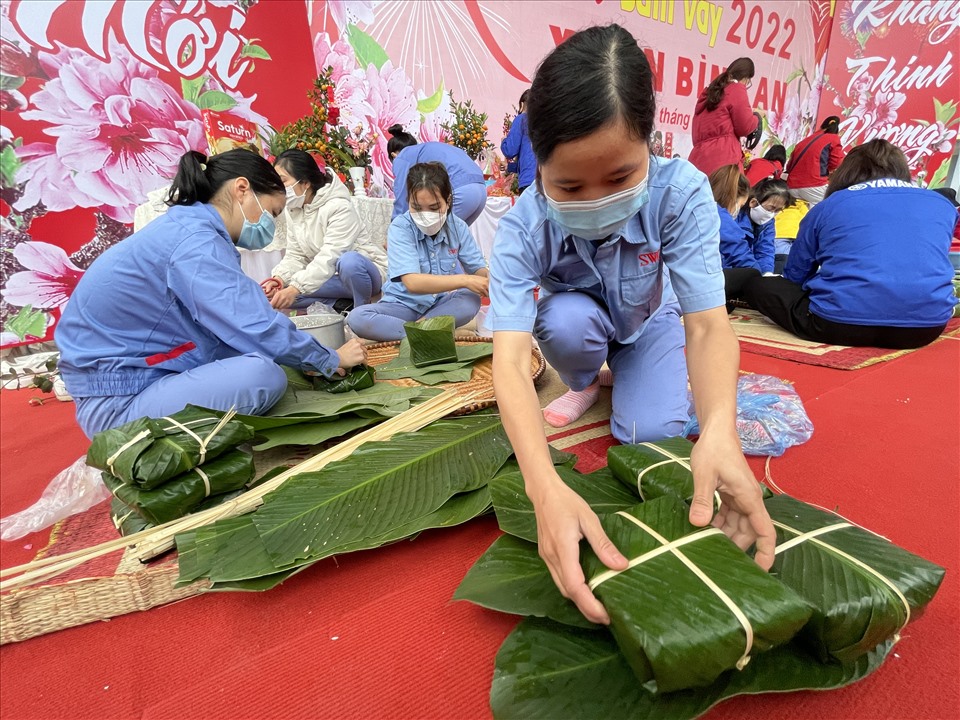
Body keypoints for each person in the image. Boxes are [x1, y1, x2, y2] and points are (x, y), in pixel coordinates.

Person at [488, 24, 775, 625]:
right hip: (582, 325)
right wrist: (543, 487)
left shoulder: (683, 193)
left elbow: (707, 325)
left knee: (650, 434)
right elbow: (511, 360)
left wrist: (720, 428)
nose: (595, 199)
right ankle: (591, 376)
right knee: (564, 323)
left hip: (652, 320)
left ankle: (639, 377)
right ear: (538, 164)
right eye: (568, 184)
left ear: (651, 142)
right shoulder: (521, 226)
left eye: (619, 178)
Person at [54, 149, 367, 439]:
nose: (270, 225)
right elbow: (253, 324)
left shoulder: (189, 230)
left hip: (132, 377)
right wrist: (327, 357)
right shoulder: (196, 243)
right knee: (264, 376)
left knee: (257, 355)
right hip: (119, 402)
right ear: (242, 189)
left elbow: (233, 323)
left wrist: (303, 354)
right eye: (271, 213)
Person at [743, 139, 956, 349]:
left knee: (757, 284)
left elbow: (797, 275)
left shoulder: (830, 205)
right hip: (925, 329)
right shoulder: (941, 204)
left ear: (848, 171)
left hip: (836, 324)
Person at [346, 161, 489, 341]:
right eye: (417, 207)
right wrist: (466, 280)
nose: (425, 214)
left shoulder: (457, 227)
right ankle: (433, 333)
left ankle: (416, 334)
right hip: (400, 307)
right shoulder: (400, 227)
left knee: (470, 299)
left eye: (434, 207)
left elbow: (477, 269)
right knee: (358, 318)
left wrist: (488, 280)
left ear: (449, 201)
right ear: (408, 202)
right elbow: (412, 283)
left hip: (437, 307)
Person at [261, 149, 387, 312]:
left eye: (283, 181)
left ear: (305, 182)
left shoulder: (339, 207)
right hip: (331, 280)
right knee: (277, 296)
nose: (278, 188)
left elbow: (331, 255)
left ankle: (363, 309)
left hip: (363, 276)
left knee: (348, 262)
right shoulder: (294, 210)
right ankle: (341, 305)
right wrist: (279, 279)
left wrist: (295, 288)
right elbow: (296, 255)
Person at [387, 125, 487, 225]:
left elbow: (402, 198)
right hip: (481, 190)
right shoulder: (428, 149)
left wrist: (395, 228)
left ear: (393, 155)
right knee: (455, 238)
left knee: (431, 235)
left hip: (460, 191)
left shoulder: (402, 157)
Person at [688, 57, 763, 177]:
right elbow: (745, 126)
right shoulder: (736, 89)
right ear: (746, 78)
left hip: (698, 160)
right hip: (723, 162)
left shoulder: (710, 93)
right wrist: (757, 118)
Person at [784, 116, 845, 206]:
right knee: (834, 205)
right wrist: (827, 170)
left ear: (821, 126)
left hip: (792, 186)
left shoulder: (805, 140)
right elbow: (837, 162)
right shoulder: (833, 138)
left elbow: (789, 166)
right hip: (814, 185)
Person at [501, 89, 536, 194]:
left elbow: (510, 150)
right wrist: (510, 167)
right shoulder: (544, 124)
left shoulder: (522, 119)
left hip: (528, 183)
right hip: (546, 182)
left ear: (522, 104)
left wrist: (504, 142)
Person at [772, 196, 810, 274]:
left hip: (780, 234)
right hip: (796, 233)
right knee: (796, 258)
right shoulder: (802, 205)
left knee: (781, 257)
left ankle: (777, 275)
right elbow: (807, 219)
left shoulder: (779, 207)